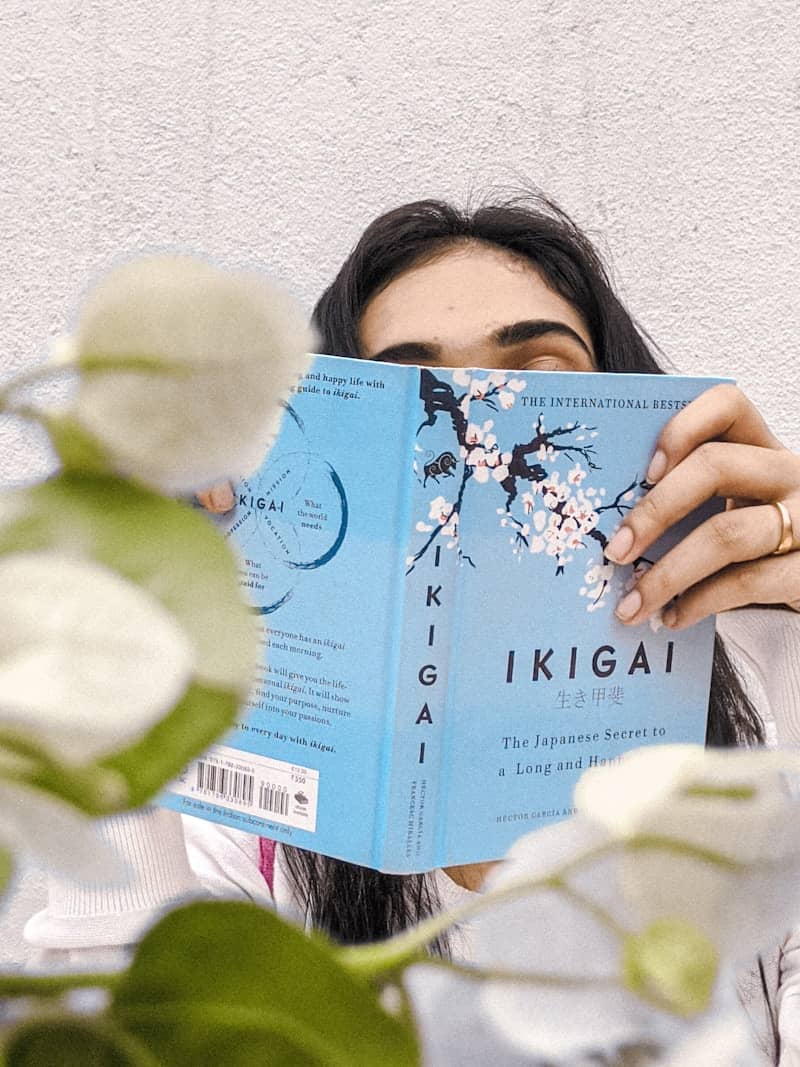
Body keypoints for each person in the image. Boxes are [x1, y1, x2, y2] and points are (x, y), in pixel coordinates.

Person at [25, 193, 800, 1059]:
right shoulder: (250, 834)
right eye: (413, 397)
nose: (482, 447)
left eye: (540, 380)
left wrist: (785, 627)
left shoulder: (755, 798)